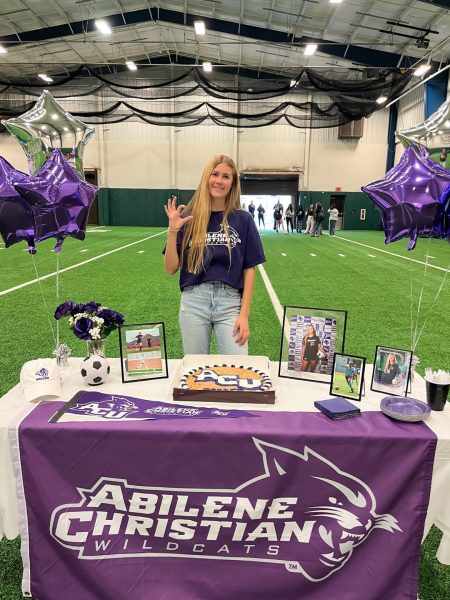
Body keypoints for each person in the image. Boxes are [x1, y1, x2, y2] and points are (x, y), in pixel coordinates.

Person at [164, 155, 265, 356]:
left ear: (232, 183)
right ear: (206, 178)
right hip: (194, 302)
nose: (219, 180)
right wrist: (172, 230)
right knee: (195, 371)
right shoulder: (188, 217)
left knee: (237, 367)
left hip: (230, 304)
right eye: (215, 174)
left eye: (226, 176)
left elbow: (249, 271)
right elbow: (170, 268)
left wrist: (244, 315)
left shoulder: (243, 219)